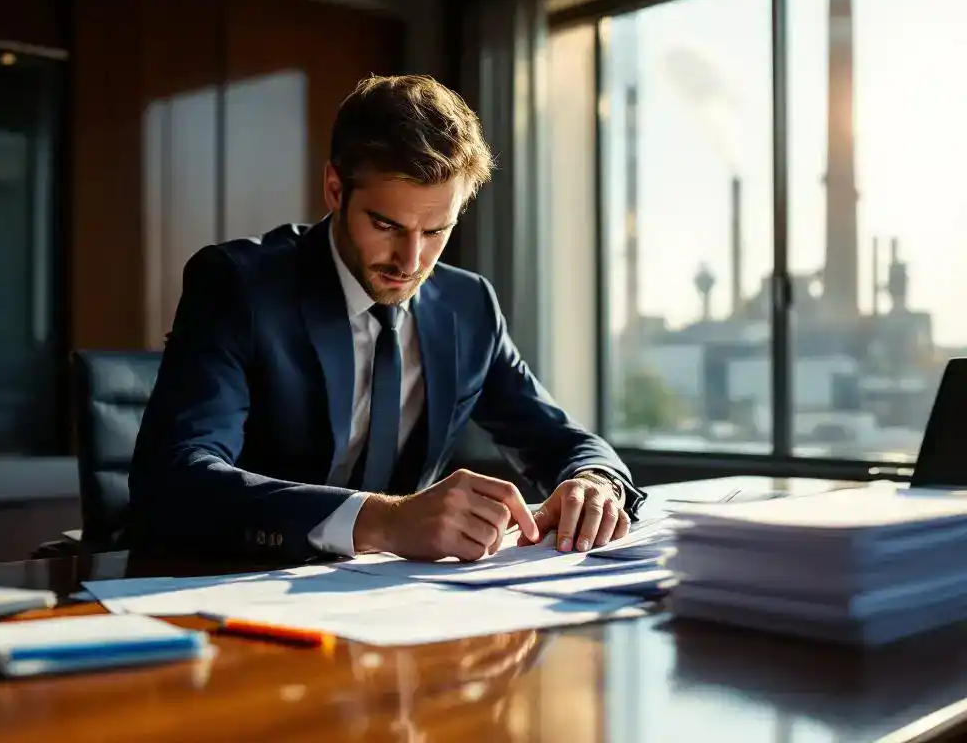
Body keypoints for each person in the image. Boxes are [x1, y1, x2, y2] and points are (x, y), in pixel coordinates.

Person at [127, 74, 645, 562]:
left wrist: (595, 483)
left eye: (436, 230)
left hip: (398, 606)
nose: (411, 260)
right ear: (335, 189)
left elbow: (565, 441)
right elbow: (175, 481)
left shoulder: (469, 308)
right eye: (386, 224)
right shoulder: (239, 285)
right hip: (234, 586)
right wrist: (385, 522)